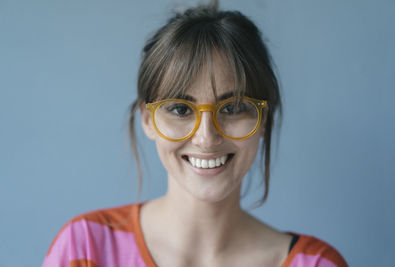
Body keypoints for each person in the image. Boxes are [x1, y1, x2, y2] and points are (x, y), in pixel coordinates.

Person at [43, 2, 348, 267]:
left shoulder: (316, 263)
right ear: (147, 120)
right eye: (179, 109)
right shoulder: (84, 249)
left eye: (233, 108)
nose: (206, 137)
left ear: (263, 119)